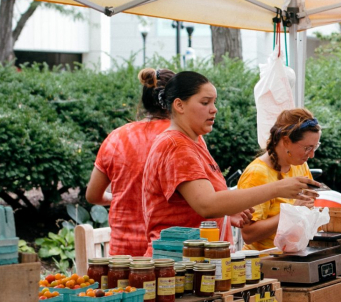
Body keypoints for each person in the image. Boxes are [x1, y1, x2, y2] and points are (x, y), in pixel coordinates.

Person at [142, 71, 316, 253]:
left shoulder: (194, 141)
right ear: (179, 105)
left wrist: (228, 212)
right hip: (179, 262)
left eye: (214, 102)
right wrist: (277, 189)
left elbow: (203, 202)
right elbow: (207, 205)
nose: (214, 109)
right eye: (205, 102)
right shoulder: (176, 146)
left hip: (198, 259)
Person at [86, 68, 175, 256]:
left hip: (122, 255)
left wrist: (119, 198)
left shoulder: (116, 137)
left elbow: (93, 195)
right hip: (166, 254)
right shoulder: (183, 138)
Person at [236, 109, 318, 251]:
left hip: (291, 255)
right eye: (307, 148)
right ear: (286, 141)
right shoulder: (257, 174)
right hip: (262, 262)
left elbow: (306, 206)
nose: (311, 155)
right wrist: (291, 212)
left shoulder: (300, 165)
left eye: (315, 147)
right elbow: (248, 234)